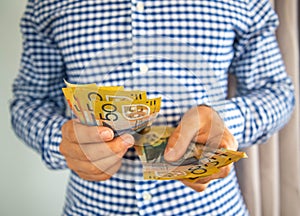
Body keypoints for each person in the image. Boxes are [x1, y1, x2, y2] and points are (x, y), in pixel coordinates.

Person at [11, 0, 295, 215]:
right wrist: (60, 139)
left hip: (212, 206)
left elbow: (278, 93)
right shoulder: (47, 3)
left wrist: (227, 121)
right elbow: (28, 100)